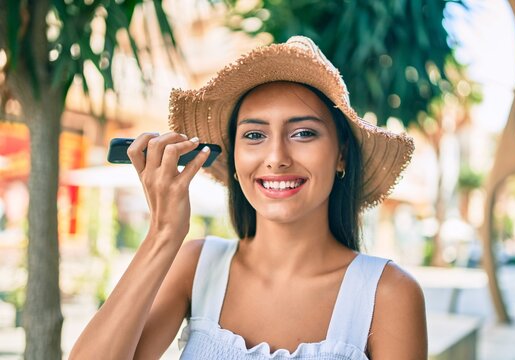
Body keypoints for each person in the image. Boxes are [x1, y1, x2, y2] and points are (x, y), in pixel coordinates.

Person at [70, 36, 427, 360]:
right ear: (235, 157)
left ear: (342, 154)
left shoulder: (388, 294)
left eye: (303, 133)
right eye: (254, 134)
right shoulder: (197, 265)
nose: (276, 156)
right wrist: (163, 234)